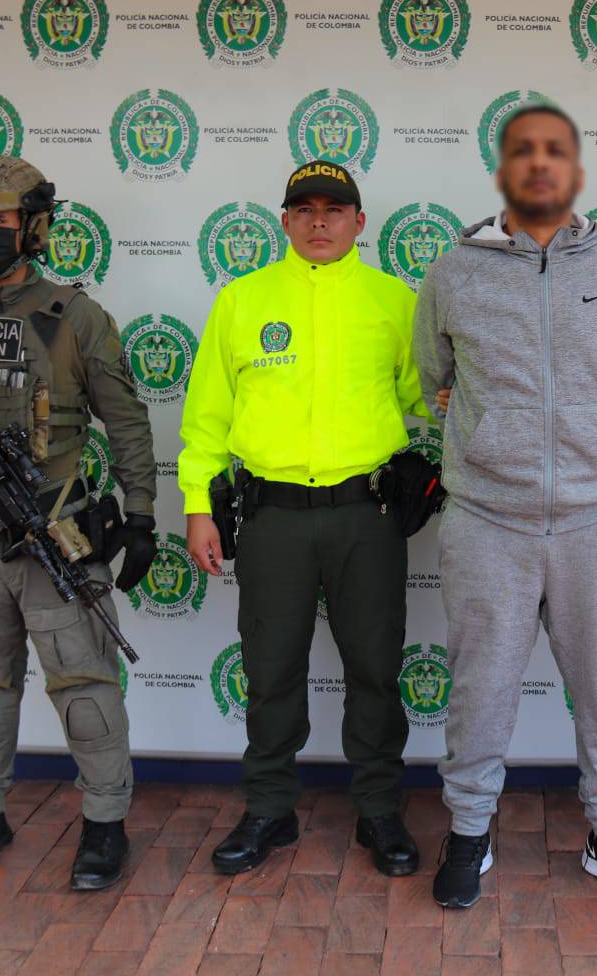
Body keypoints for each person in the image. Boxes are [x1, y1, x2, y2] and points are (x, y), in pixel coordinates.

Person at [413, 105, 597, 909]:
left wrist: (592, 436)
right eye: (523, 152)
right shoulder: (454, 272)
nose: (539, 166)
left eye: (555, 153)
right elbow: (434, 376)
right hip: (489, 519)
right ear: (504, 172)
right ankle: (468, 830)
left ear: (576, 172)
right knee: (479, 690)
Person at [0, 155, 158, 891]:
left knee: (85, 686)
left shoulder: (73, 318)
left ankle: (104, 824)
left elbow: (127, 424)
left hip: (56, 534)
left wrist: (140, 516)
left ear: (32, 226)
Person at [179, 160, 427, 877]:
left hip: (366, 515)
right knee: (271, 666)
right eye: (306, 209)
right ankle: (269, 808)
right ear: (284, 221)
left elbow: (427, 394)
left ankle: (379, 808)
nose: (320, 222)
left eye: (335, 209)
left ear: (359, 222)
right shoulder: (243, 300)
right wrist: (197, 504)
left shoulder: (395, 301)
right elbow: (207, 417)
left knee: (375, 666)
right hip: (273, 517)